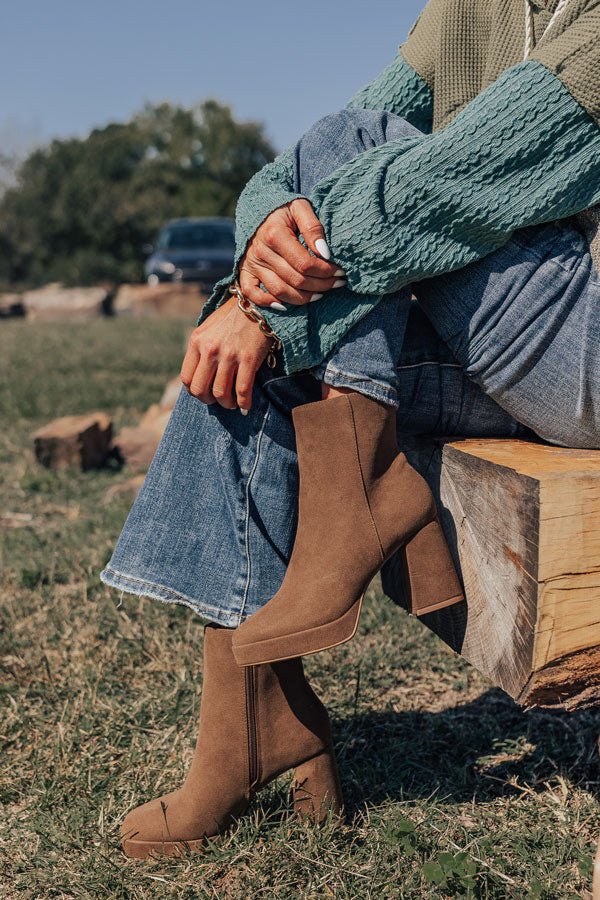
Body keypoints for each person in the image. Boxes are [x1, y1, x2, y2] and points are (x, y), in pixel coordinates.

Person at [101, 0, 600, 858]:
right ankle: (256, 721)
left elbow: (462, 181)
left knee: (355, 173)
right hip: (512, 337)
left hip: (585, 341)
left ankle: (361, 487)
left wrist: (258, 306)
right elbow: (321, 145)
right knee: (255, 364)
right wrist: (264, 240)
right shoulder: (472, 6)